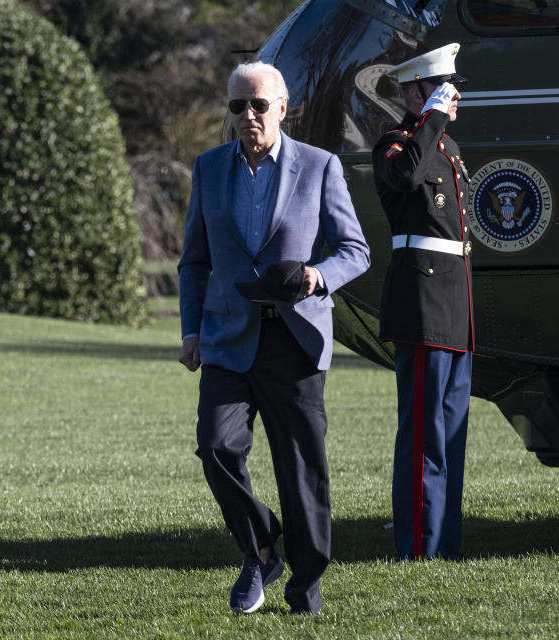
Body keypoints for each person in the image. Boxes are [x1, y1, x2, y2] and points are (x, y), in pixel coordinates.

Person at [178, 61, 370, 615]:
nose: (248, 115)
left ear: (283, 109)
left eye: (258, 104)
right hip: (226, 338)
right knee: (216, 446)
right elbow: (194, 261)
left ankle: (305, 586)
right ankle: (261, 549)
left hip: (295, 339)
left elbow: (354, 250)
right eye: (237, 106)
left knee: (300, 469)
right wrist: (191, 330)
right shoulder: (209, 168)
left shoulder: (320, 166)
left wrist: (318, 276)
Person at [372, 43, 473, 560]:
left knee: (450, 436)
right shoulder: (395, 144)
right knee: (422, 437)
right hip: (421, 302)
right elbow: (407, 176)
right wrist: (430, 118)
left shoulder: (446, 148)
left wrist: (435, 123)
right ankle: (417, 547)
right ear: (415, 93)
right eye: (440, 87)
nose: (452, 96)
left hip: (455, 303)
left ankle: (445, 546)